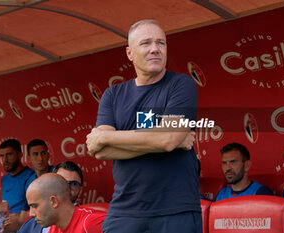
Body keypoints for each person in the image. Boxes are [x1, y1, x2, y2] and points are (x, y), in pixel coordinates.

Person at [86, 19, 201, 233]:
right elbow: (100, 152)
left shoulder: (181, 84)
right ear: (129, 53)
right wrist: (165, 139)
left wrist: (105, 137)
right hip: (124, 212)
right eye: (146, 43)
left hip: (175, 211)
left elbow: (167, 140)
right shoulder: (113, 95)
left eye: (161, 43)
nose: (155, 49)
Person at [17, 161, 84, 233]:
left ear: (80, 190)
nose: (66, 188)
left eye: (74, 184)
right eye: (61, 182)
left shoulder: (87, 222)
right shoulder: (31, 224)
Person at [26, 173, 105, 233]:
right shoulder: (54, 228)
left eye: (34, 206)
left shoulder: (90, 223)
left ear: (54, 201)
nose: (31, 214)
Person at [0, 139, 34, 232]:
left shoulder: (32, 176)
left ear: (20, 155)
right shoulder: (4, 179)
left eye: (9, 154)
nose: (5, 160)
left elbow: (38, 208)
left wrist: (21, 219)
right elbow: (7, 207)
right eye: (2, 156)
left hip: (26, 228)